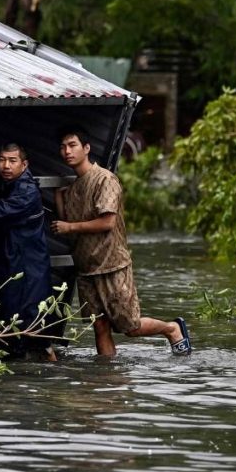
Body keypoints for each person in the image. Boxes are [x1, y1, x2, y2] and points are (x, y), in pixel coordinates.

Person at [51, 126, 191, 357]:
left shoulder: (105, 179)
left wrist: (69, 226)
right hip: (86, 268)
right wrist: (59, 199)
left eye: (73, 145)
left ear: (86, 148)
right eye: (63, 147)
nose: (67, 151)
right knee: (99, 327)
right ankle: (107, 379)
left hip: (112, 264)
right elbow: (68, 226)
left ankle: (172, 328)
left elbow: (106, 222)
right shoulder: (74, 187)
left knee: (130, 327)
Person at [0, 143, 57, 360]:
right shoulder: (5, 183)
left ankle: (45, 362)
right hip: (13, 262)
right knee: (11, 317)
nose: (6, 165)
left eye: (12, 161)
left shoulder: (26, 190)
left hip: (28, 265)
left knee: (32, 322)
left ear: (24, 164)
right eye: (2, 160)